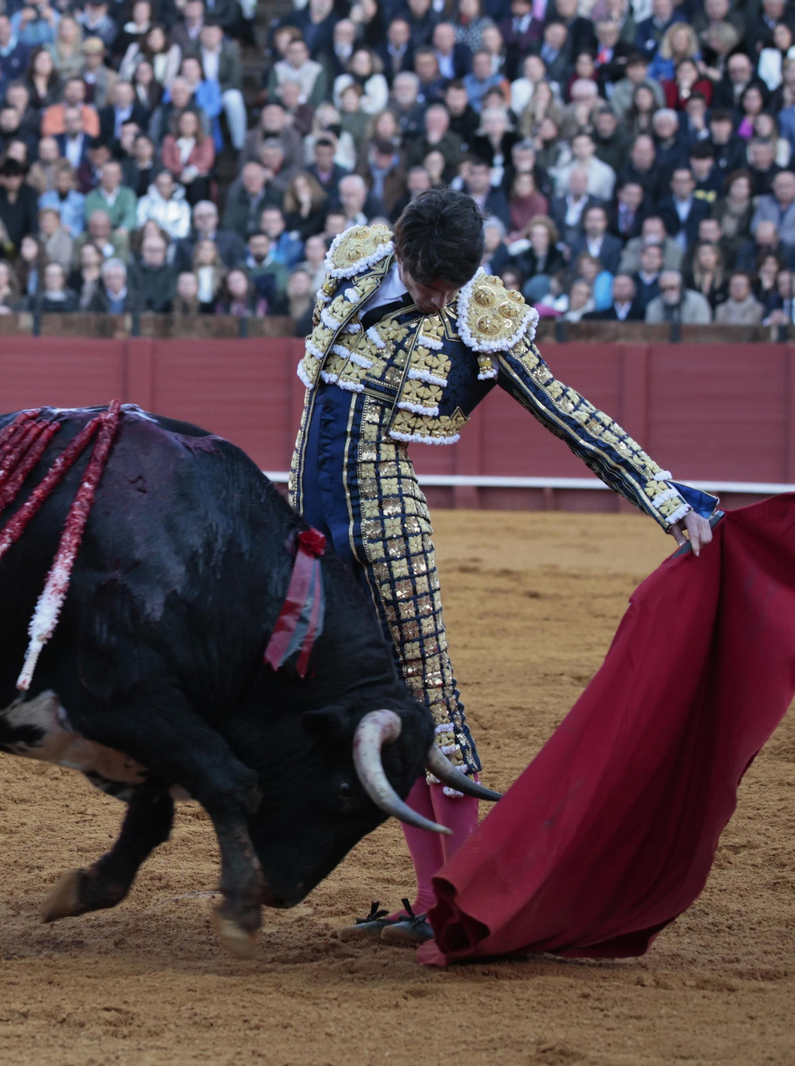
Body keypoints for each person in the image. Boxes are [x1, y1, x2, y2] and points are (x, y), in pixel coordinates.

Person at [291, 190, 718, 945]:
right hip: (309, 524)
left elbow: (567, 413)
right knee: (365, 707)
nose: (438, 298)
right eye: (429, 282)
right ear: (400, 250)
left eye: (450, 287)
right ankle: (430, 897)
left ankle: (468, 899)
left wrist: (664, 496)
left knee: (429, 706)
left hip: (388, 525)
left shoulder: (479, 314)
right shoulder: (356, 260)